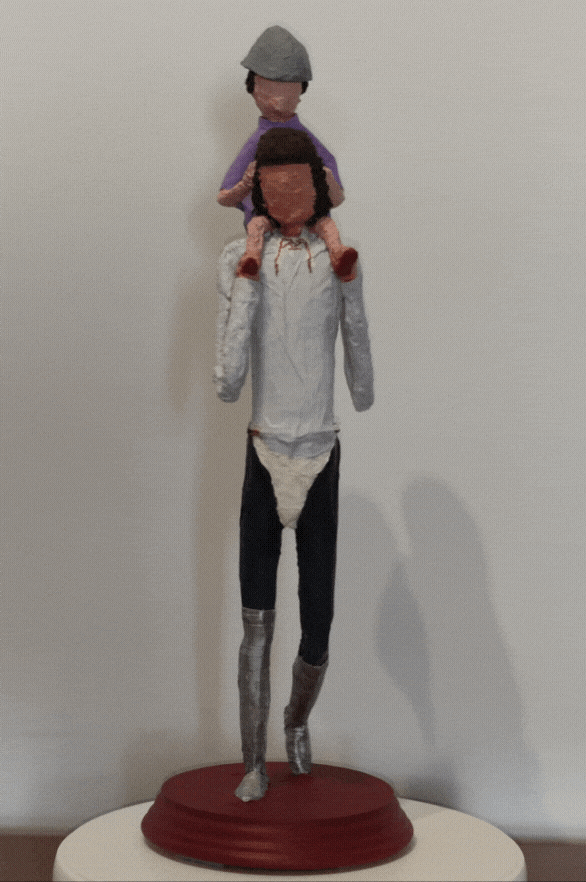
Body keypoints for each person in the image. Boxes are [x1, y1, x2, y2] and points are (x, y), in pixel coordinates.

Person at [215, 128, 374, 801]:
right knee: (256, 617)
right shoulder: (235, 259)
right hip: (263, 450)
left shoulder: (338, 260)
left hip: (320, 452)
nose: (287, 198)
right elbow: (228, 378)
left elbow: (359, 353)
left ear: (316, 189)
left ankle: (296, 721)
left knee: (319, 620)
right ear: (259, 191)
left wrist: (363, 383)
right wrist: (249, 274)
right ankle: (254, 760)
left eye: (298, 185)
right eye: (273, 186)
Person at [217, 26, 358, 282]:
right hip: (269, 219)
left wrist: (327, 183)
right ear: (254, 89)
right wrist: (245, 184)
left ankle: (338, 254)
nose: (277, 101)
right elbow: (224, 196)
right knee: (257, 227)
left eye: (285, 91)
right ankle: (252, 259)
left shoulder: (309, 142)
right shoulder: (255, 145)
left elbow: (335, 193)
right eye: (269, 91)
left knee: (327, 227)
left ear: (300, 91)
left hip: (309, 221)